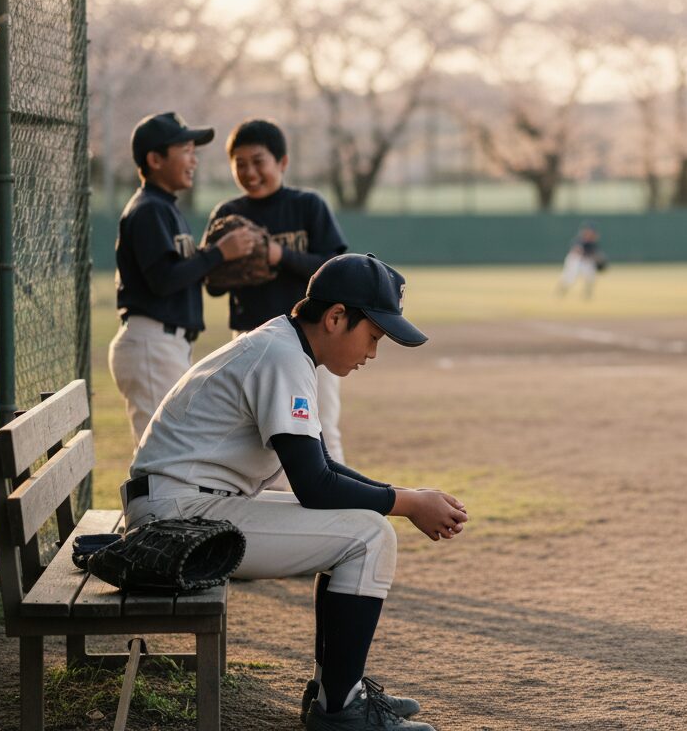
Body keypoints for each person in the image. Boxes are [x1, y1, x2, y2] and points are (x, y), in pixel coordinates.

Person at [122, 253, 466, 731]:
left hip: (185, 505)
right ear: (335, 318)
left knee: (364, 530)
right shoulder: (282, 356)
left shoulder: (285, 346)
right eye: (373, 335)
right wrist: (406, 504)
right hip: (178, 519)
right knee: (370, 536)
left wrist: (404, 494)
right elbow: (315, 486)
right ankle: (340, 708)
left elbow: (320, 466)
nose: (372, 352)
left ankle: (336, 691)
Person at [206, 118, 350, 466]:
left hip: (314, 342)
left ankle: (336, 505)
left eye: (258, 162)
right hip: (251, 342)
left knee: (322, 431)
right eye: (240, 164)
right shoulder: (229, 214)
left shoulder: (308, 206)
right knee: (254, 437)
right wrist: (233, 261)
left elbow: (335, 264)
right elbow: (211, 283)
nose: (250, 172)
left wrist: (279, 255)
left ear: (282, 162)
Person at [109, 111, 259, 446]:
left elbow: (178, 273)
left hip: (164, 342)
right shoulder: (149, 209)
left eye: (194, 151)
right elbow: (163, 280)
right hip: (152, 341)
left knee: (170, 448)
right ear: (155, 159)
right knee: (163, 451)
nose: (194, 160)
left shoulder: (164, 207)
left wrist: (214, 259)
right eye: (186, 150)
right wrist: (219, 253)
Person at [554, 224, 604, 299]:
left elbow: (594, 255)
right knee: (570, 278)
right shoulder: (579, 241)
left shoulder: (593, 243)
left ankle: (587, 294)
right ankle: (561, 291)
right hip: (575, 260)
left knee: (591, 277)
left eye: (592, 233)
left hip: (585, 261)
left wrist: (597, 259)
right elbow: (576, 251)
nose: (591, 234)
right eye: (589, 232)